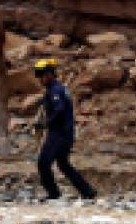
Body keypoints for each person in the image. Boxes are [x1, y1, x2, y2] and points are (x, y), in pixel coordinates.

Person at [33, 58, 96, 200]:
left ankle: (53, 193)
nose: (40, 80)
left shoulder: (55, 90)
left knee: (43, 162)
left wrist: (45, 123)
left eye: (41, 76)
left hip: (59, 134)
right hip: (66, 133)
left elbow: (59, 110)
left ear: (49, 74)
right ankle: (88, 192)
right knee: (63, 164)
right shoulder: (57, 89)